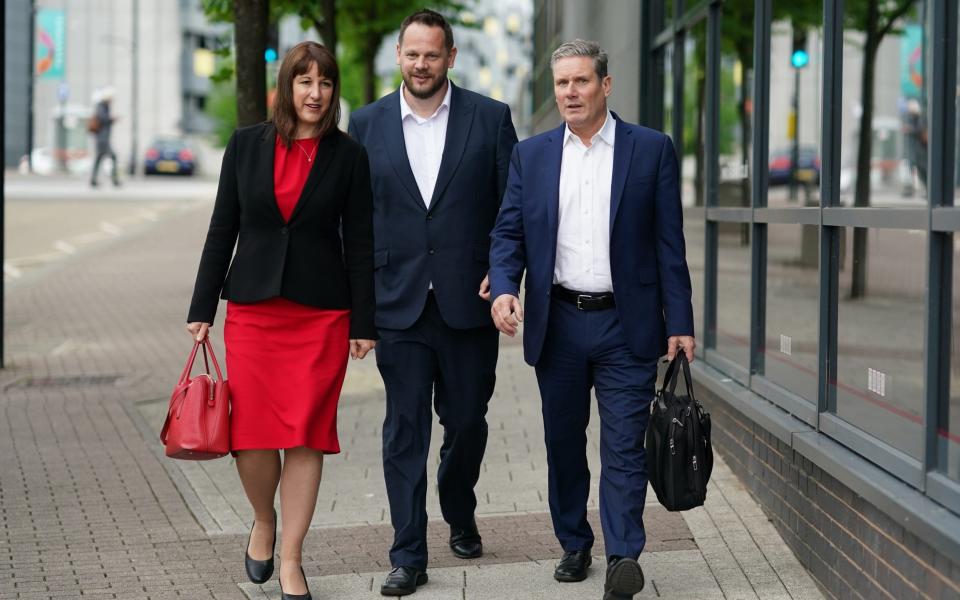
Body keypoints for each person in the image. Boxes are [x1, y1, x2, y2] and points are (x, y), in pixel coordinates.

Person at [488, 40, 696, 600]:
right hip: (557, 322)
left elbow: (668, 244)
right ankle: (574, 541)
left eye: (581, 81)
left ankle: (623, 555)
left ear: (606, 85)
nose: (571, 93)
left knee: (625, 445)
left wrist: (681, 322)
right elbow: (508, 233)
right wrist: (504, 289)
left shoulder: (650, 150)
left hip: (626, 325)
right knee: (563, 441)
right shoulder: (531, 157)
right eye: (562, 84)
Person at [186, 41, 376, 600]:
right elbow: (223, 228)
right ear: (286, 87)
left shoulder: (349, 156)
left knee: (307, 435)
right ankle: (262, 521)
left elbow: (360, 244)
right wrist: (202, 306)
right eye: (304, 81)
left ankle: (291, 558)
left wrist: (365, 321)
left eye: (324, 83)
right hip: (253, 312)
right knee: (252, 437)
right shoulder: (246, 145)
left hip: (320, 315)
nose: (315, 93)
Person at [347, 9, 517, 597]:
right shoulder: (365, 124)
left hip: (469, 305)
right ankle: (408, 554)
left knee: (466, 423)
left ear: (451, 57)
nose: (422, 64)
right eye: (412, 53)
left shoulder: (490, 119)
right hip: (397, 305)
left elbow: (510, 211)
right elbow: (356, 223)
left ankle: (459, 505)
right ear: (399, 55)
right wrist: (358, 312)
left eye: (433, 54)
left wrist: (504, 273)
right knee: (404, 430)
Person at [89, 87, 120, 187]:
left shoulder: (104, 107)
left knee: (99, 159)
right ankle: (115, 180)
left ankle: (93, 180)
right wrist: (112, 119)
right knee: (113, 156)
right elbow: (103, 119)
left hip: (102, 138)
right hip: (102, 139)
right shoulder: (101, 106)